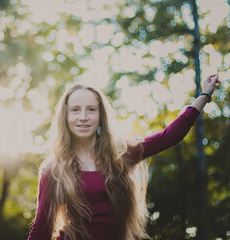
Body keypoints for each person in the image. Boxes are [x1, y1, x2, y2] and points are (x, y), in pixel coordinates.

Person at [27, 74, 221, 240]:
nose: (83, 116)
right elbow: (41, 228)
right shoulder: (54, 169)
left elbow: (170, 136)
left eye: (91, 110)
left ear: (101, 116)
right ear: (65, 117)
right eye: (75, 110)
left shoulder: (122, 154)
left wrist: (204, 95)